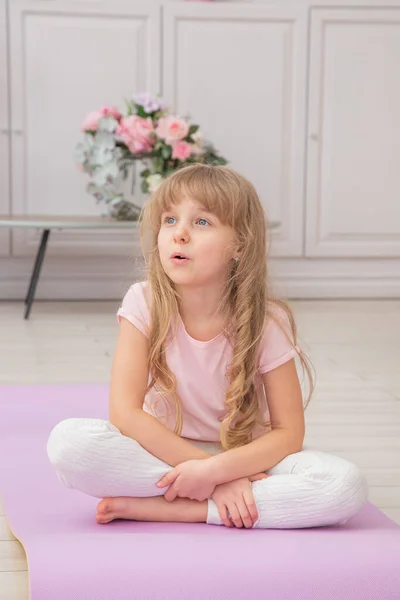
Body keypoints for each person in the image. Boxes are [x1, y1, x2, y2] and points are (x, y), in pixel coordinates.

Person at [47, 164, 368, 529]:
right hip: (163, 453)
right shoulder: (144, 301)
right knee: (69, 444)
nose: (179, 234)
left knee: (343, 485)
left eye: (201, 223)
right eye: (169, 220)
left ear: (239, 246)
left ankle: (182, 508)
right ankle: (222, 497)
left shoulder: (268, 320)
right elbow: (125, 414)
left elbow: (289, 433)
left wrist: (220, 470)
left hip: (247, 461)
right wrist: (214, 475)